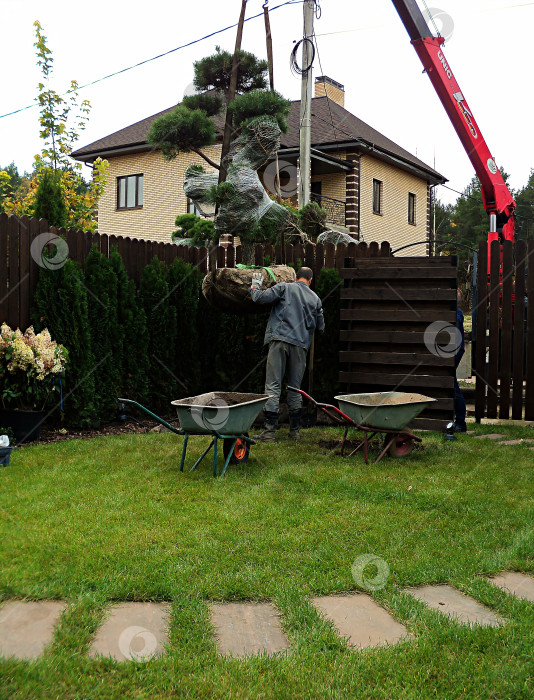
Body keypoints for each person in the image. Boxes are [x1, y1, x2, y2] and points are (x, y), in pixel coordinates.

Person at [249, 266, 325, 441]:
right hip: (300, 347)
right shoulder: (316, 299)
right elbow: (321, 327)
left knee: (273, 386)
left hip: (279, 341)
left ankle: (269, 433)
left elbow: (259, 298)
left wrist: (254, 285)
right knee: (295, 388)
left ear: (296, 277)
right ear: (310, 281)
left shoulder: (284, 287)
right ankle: (294, 432)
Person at [453, 288, 467, 432]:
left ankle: (461, 423)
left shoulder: (456, 314)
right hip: (454, 351)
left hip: (453, 352)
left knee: (452, 385)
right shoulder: (456, 313)